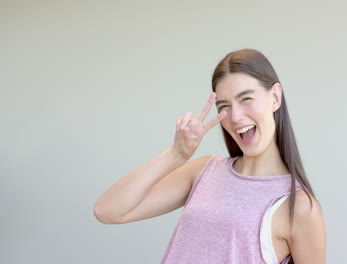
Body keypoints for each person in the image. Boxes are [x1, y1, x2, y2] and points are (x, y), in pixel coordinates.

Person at [94, 49, 326, 264]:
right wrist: (176, 155)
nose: (235, 117)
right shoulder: (205, 171)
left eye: (246, 99)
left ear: (275, 97)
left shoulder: (299, 207)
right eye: (224, 106)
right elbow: (108, 210)